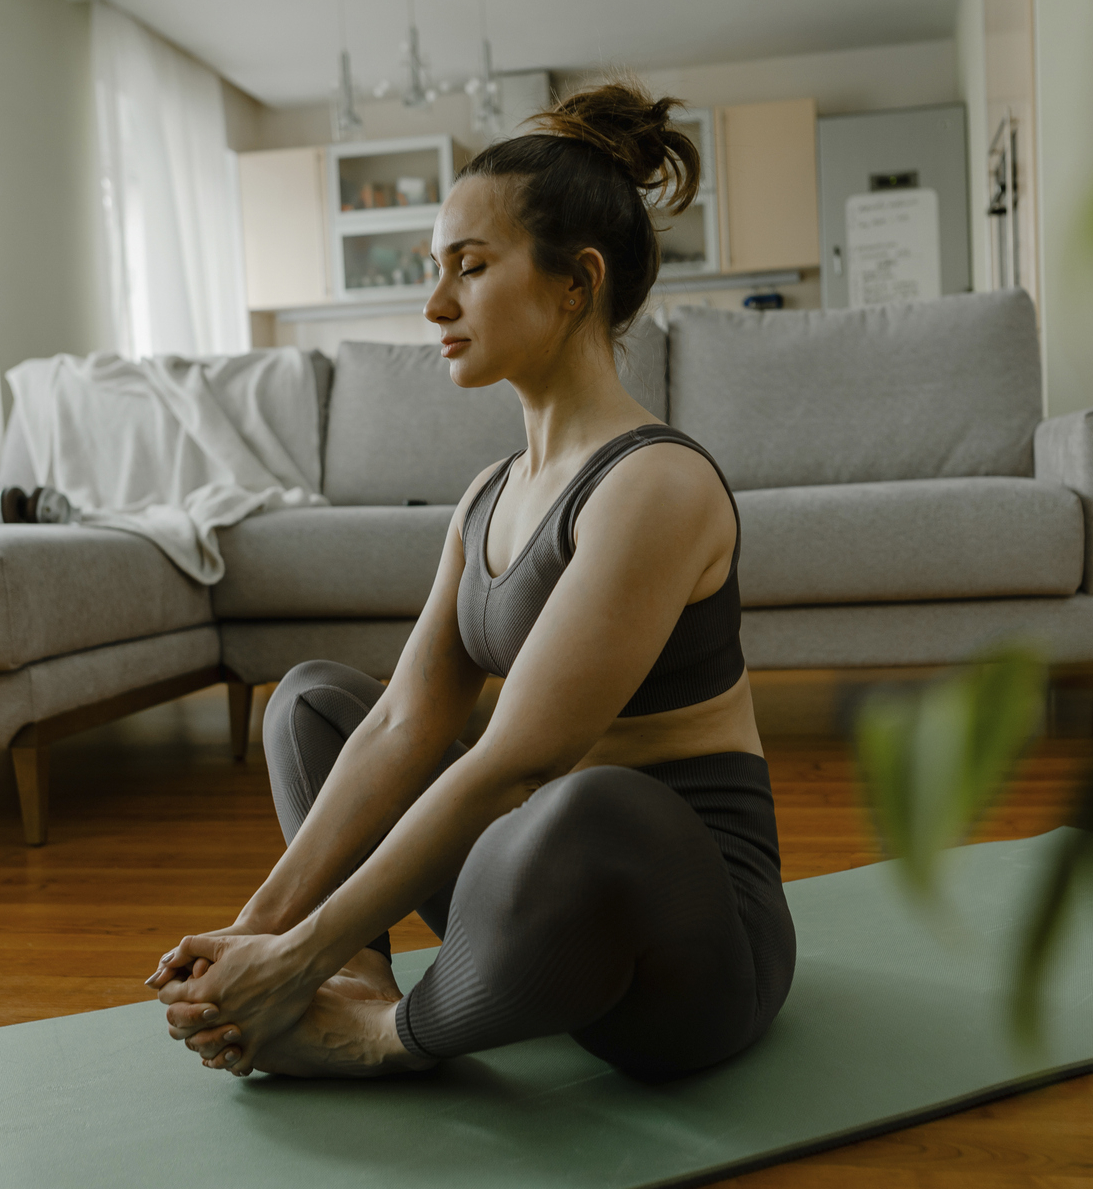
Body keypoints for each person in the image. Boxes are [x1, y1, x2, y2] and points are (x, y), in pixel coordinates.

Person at [144, 82, 795, 1081]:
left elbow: (516, 764)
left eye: (470, 268)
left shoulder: (654, 484)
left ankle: (380, 1037)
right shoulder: (488, 495)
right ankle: (361, 982)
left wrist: (290, 957)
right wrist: (256, 931)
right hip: (532, 895)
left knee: (586, 803)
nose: (434, 304)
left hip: (681, 946)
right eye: (433, 271)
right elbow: (404, 725)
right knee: (311, 701)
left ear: (574, 283)